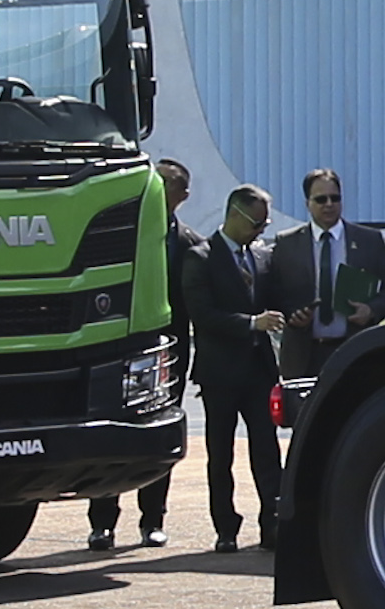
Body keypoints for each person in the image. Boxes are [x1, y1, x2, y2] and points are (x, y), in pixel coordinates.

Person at [90, 157, 192, 552]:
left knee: (157, 436)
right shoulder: (120, 236)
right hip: (119, 346)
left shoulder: (188, 244)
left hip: (167, 352)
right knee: (109, 435)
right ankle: (102, 523)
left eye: (162, 185)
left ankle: (153, 520)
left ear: (181, 195)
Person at [187, 184, 285, 549]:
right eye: (257, 223)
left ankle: (272, 523)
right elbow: (204, 314)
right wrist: (250, 323)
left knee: (266, 449)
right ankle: (225, 527)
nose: (261, 230)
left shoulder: (261, 258)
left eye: (265, 224)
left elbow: (274, 301)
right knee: (220, 453)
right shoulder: (201, 257)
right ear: (234, 214)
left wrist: (291, 315)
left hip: (258, 370)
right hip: (220, 373)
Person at [261, 168, 385, 417]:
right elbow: (274, 292)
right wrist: (291, 315)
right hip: (305, 353)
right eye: (321, 199)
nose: (329, 205)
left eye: (335, 198)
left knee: (354, 419)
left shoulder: (367, 240)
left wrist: (372, 310)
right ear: (307, 203)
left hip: (352, 348)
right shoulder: (287, 243)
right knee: (307, 425)